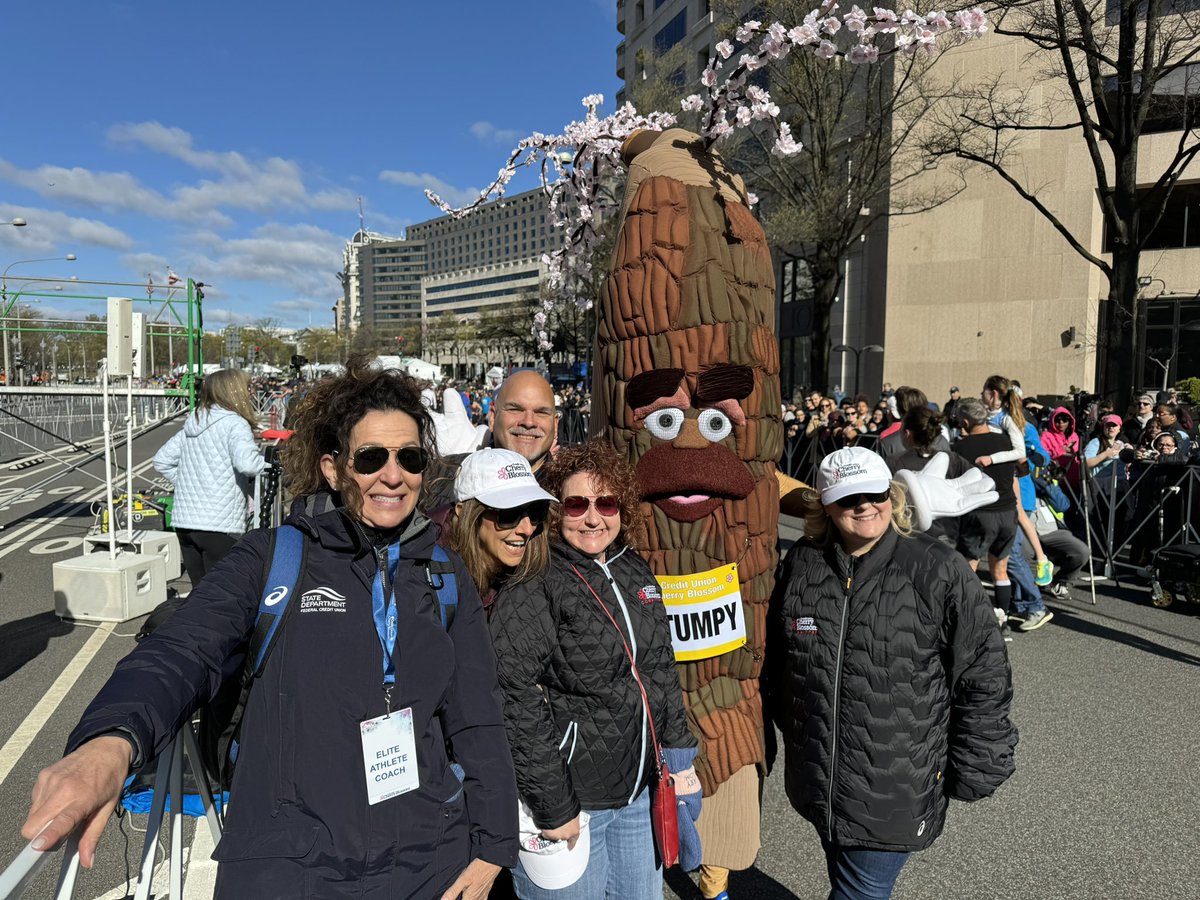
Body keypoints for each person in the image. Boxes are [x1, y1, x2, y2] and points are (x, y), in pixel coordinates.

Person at [23, 357, 518, 899]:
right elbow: (182, 649)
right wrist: (111, 741)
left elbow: (478, 719)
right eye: (372, 457)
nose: (393, 475)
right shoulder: (274, 558)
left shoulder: (443, 575)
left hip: (428, 862)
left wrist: (493, 847)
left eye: (410, 457)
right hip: (292, 865)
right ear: (333, 469)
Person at [766, 446, 1017, 900]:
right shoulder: (802, 563)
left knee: (860, 891)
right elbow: (779, 661)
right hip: (818, 778)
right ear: (824, 505)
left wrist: (977, 761)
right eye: (847, 497)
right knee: (846, 882)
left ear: (892, 494)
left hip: (896, 782)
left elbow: (983, 672)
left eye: (875, 492)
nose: (864, 505)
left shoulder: (938, 567)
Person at [487, 439, 698, 898]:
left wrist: (680, 757)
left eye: (606, 502)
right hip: (574, 802)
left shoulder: (633, 568)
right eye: (577, 504)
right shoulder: (538, 577)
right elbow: (512, 692)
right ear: (556, 510)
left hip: (638, 792)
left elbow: (659, 667)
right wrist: (553, 803)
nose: (593, 517)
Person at [152, 368, 266, 589]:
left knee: (200, 594)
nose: (251, 392)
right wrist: (271, 465)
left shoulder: (194, 421)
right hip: (218, 522)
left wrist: (187, 485)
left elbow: (161, 460)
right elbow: (248, 464)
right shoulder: (234, 423)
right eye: (248, 387)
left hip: (185, 522)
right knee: (222, 594)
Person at [448, 447, 556, 613]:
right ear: (463, 513)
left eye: (536, 511)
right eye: (509, 514)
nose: (527, 529)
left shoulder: (546, 575)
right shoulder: (432, 579)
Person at [953, 398, 1020, 624]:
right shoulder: (1004, 440)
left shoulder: (961, 447)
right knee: (1000, 570)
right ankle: (1003, 619)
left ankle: (969, 618)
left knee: (969, 566)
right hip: (1009, 512)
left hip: (981, 511)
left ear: (965, 420)